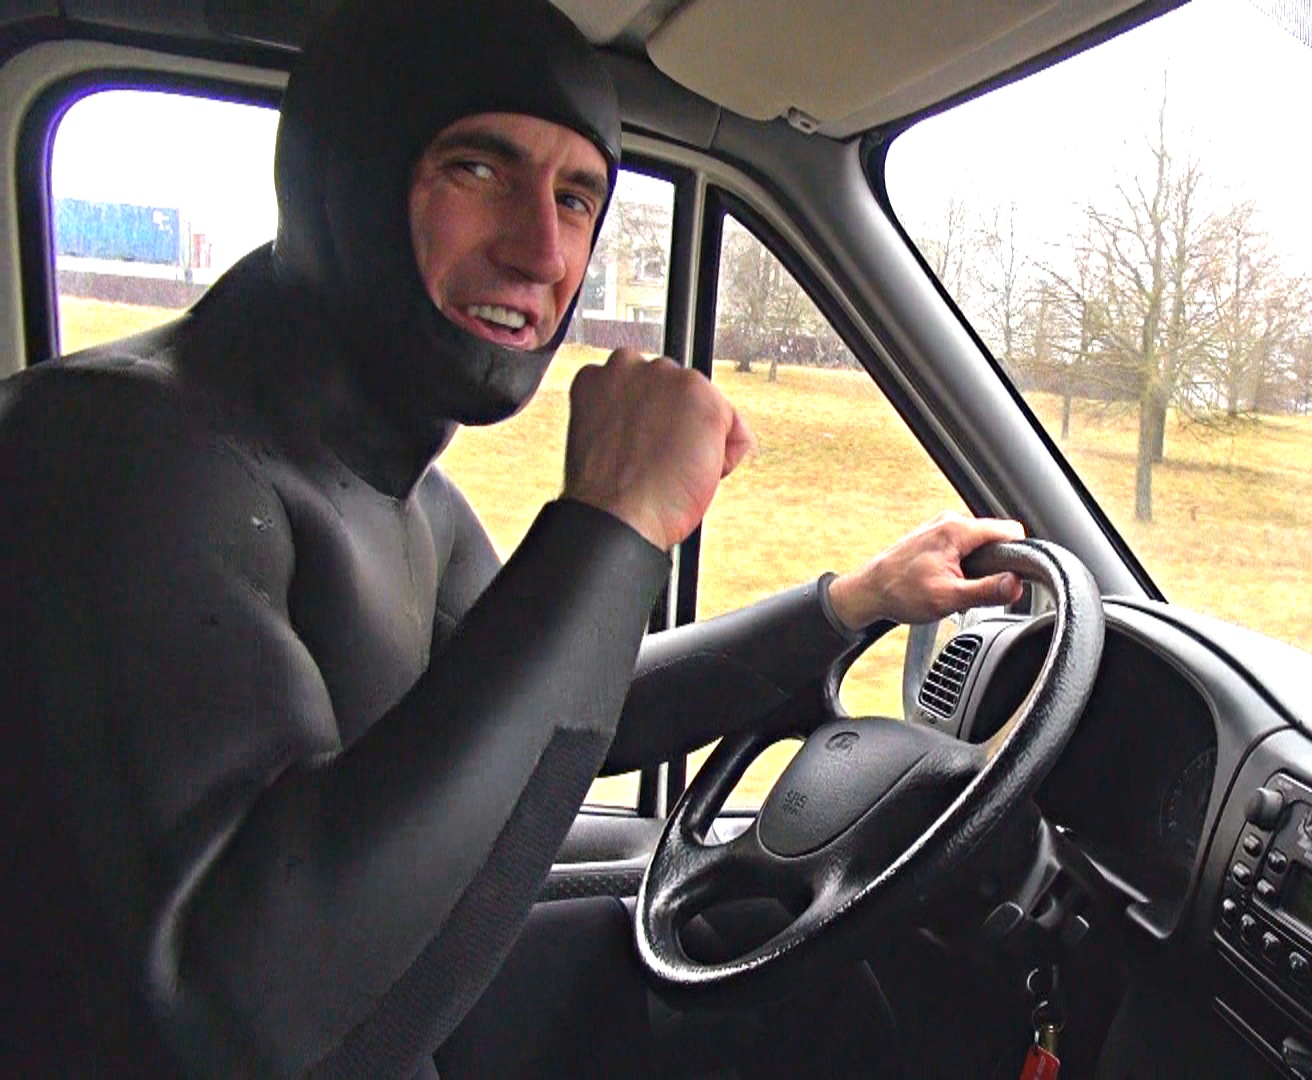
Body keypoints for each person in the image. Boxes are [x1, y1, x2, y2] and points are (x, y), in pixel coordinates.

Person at [0, 0, 1023, 1073]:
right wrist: (613, 518)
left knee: (769, 974)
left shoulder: (398, 490)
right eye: (478, 169)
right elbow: (243, 1020)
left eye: (576, 197)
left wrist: (854, 603)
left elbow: (564, 712)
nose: (543, 251)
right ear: (341, 180)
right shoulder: (112, 452)